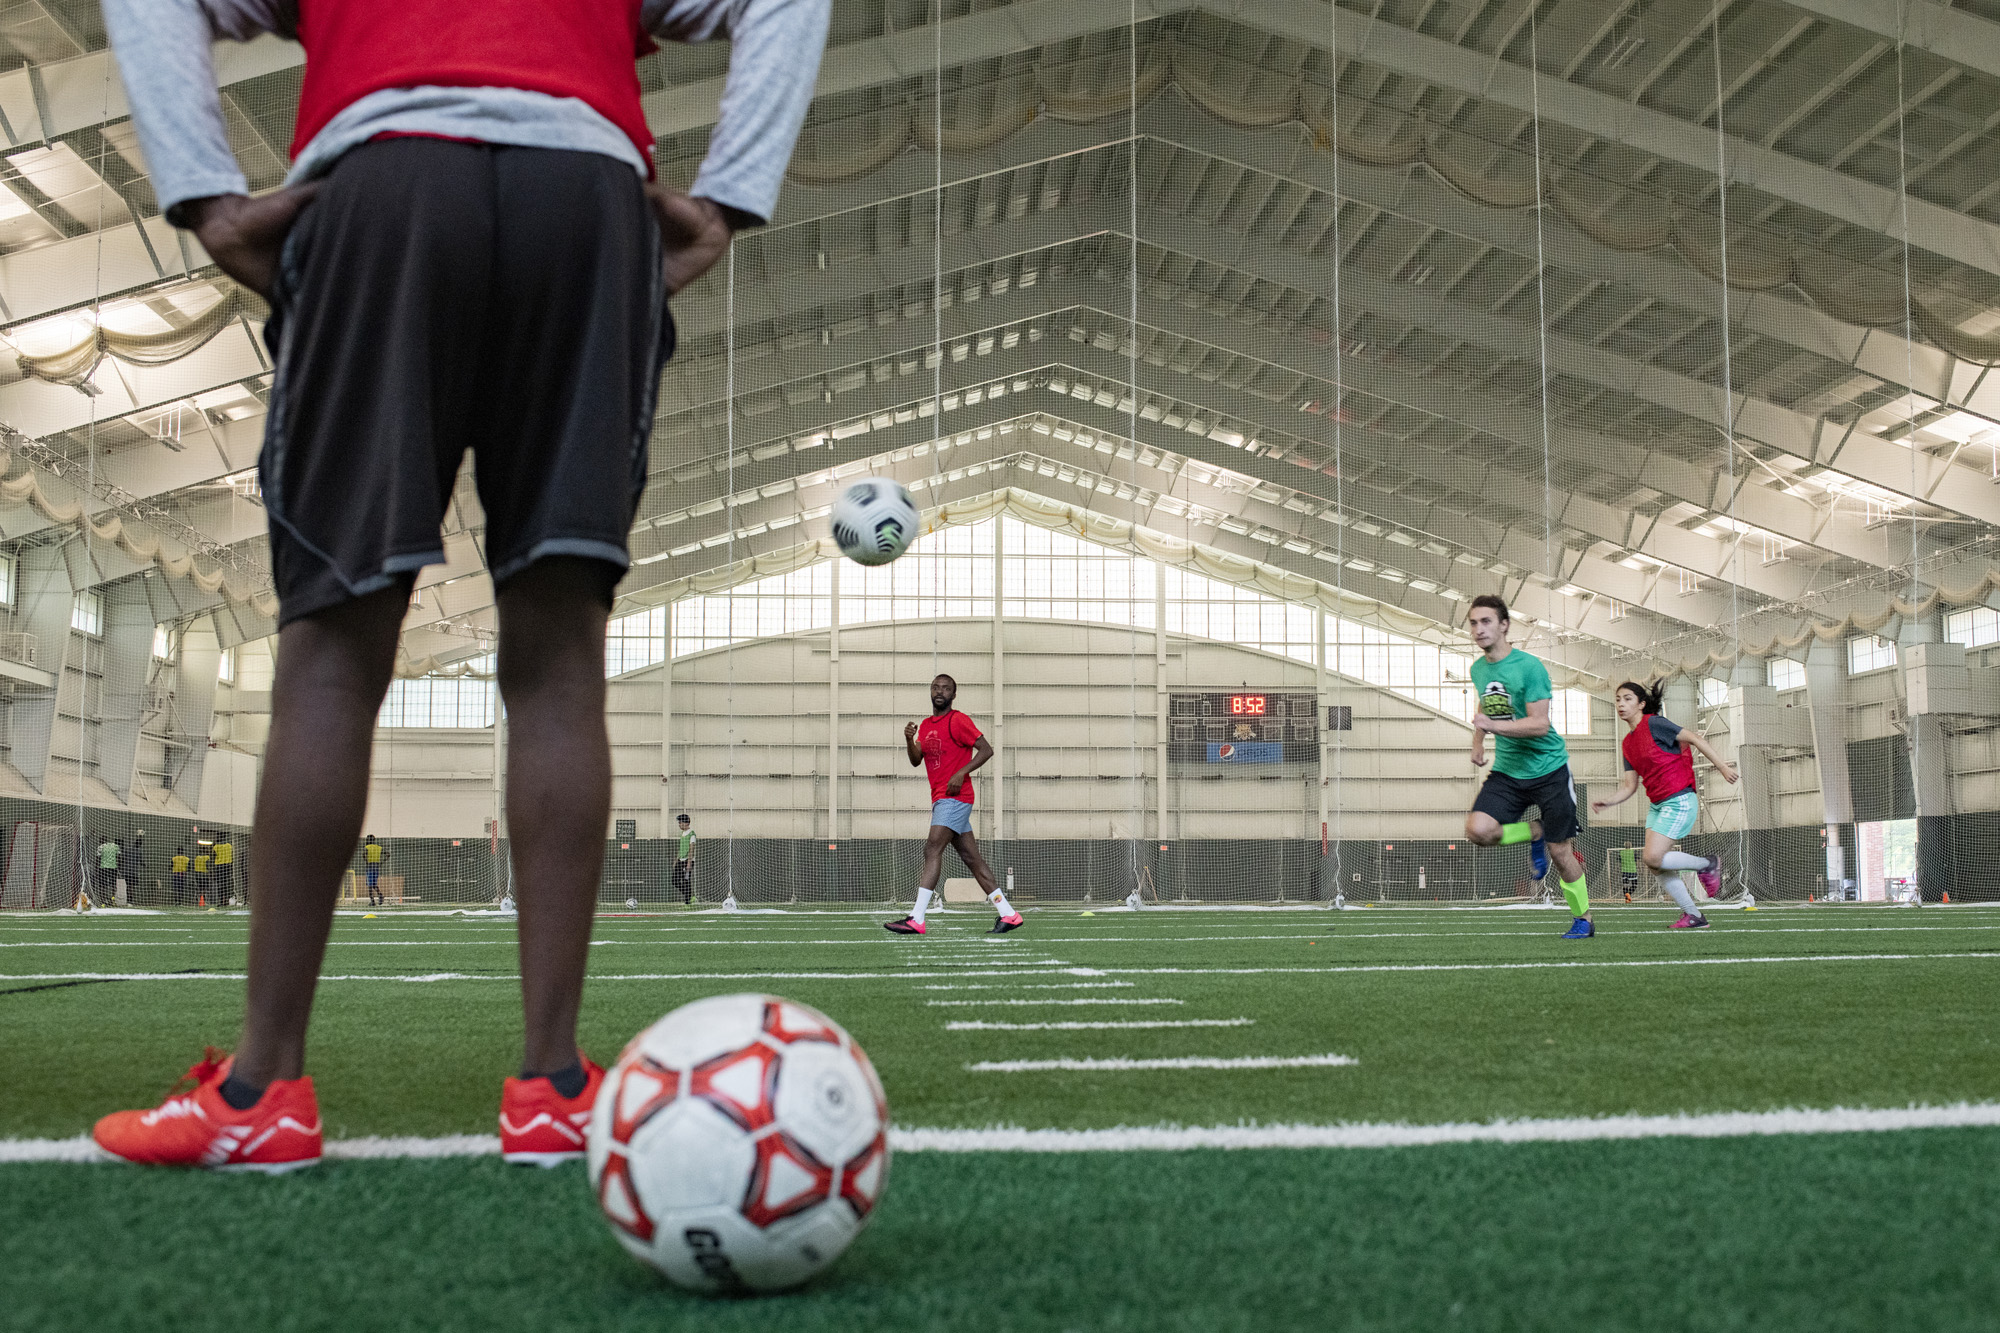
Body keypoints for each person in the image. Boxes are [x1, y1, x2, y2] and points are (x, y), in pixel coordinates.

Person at [90, 0, 830, 1174]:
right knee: (557, 659)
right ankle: (550, 1086)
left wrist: (206, 196)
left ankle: (262, 1088)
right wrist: (728, 196)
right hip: (585, 204)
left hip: (385, 191)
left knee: (334, 652)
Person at [1463, 595, 1595, 939]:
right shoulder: (1478, 668)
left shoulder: (1530, 667)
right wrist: (1478, 742)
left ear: (1504, 625)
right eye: (1474, 623)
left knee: (1560, 851)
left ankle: (1584, 919)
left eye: (1486, 621)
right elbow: (1487, 704)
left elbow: (1538, 724)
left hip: (1549, 769)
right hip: (1508, 770)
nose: (1479, 629)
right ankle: (1534, 831)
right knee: (1478, 830)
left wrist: (1493, 729)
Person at [1592, 681, 1739, 929]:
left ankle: (1707, 864)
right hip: (1658, 805)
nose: (1620, 704)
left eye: (1627, 699)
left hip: (1680, 799)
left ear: (1641, 704)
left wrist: (1722, 766)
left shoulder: (1655, 724)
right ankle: (1694, 916)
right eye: (1617, 699)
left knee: (1652, 857)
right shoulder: (1627, 744)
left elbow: (1694, 738)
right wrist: (1608, 801)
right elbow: (1629, 786)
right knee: (1655, 865)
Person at [886, 674, 1023, 937]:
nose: (940, 691)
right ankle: (1008, 914)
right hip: (941, 798)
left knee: (932, 848)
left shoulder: (958, 720)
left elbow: (986, 749)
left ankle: (916, 918)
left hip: (956, 798)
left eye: (946, 688)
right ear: (930, 691)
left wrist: (961, 772)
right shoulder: (925, 725)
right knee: (972, 859)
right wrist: (908, 739)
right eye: (936, 687)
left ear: (954, 695)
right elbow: (917, 760)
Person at [672, 814, 697, 906]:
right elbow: (681, 848)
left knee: (686, 880)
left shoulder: (692, 834)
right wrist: (676, 860)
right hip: (680, 860)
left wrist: (689, 863)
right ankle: (689, 896)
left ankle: (687, 902)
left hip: (687, 860)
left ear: (686, 823)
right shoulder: (682, 834)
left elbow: (691, 849)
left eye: (680, 822)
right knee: (674, 881)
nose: (679, 824)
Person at [94, 835, 120, 907]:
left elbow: (98, 859)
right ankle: (113, 899)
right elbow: (119, 857)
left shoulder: (100, 847)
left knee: (102, 885)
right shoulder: (115, 846)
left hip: (103, 868)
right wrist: (118, 866)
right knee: (113, 884)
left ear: (102, 840)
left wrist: (96, 869)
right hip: (113, 867)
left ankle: (103, 901)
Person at [214, 837, 237, 908]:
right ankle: (226, 900)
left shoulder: (216, 847)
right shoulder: (229, 846)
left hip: (219, 866)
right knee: (227, 883)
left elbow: (213, 856)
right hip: (228, 866)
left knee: (220, 884)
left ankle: (220, 901)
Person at [363, 834, 385, 908]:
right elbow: (388, 854)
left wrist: (366, 861)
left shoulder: (367, 847)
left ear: (368, 840)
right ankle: (380, 895)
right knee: (373, 884)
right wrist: (381, 862)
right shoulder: (379, 847)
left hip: (370, 866)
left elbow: (364, 855)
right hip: (377, 866)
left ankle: (372, 901)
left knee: (370, 885)